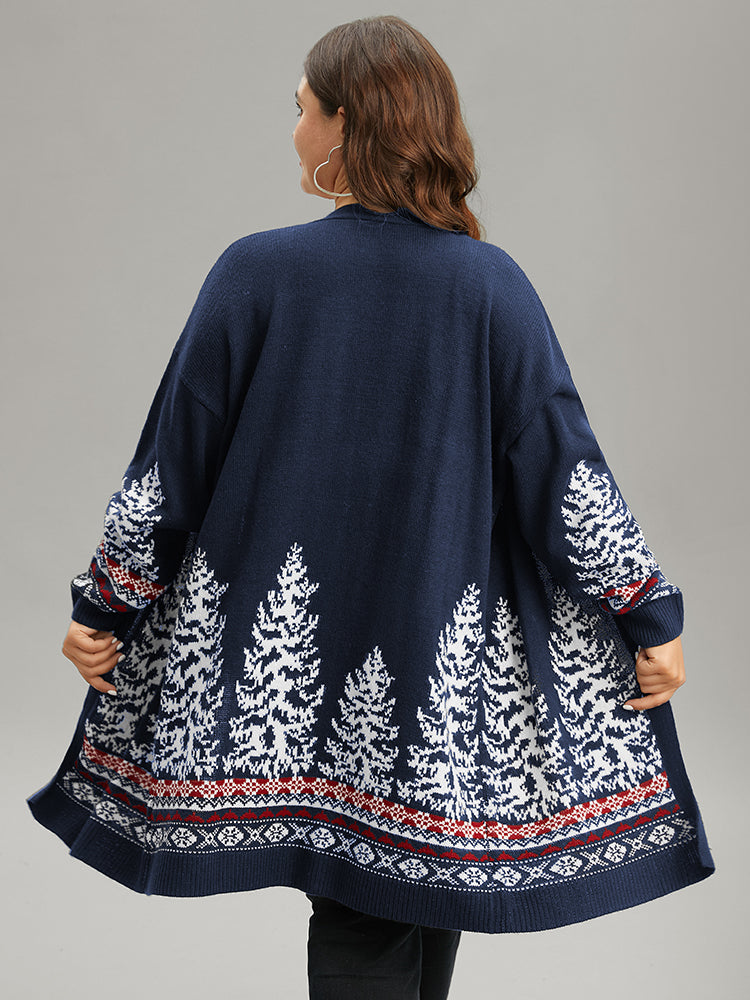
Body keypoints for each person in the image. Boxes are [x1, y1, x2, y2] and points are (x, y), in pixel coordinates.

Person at [27, 14, 714, 1000]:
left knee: (380, 922)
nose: (293, 129)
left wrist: (105, 605)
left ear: (346, 124)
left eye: (303, 108)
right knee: (407, 906)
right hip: (437, 681)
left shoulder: (256, 272)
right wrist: (647, 613)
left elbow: (171, 469)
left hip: (297, 676)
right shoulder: (490, 285)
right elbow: (564, 472)